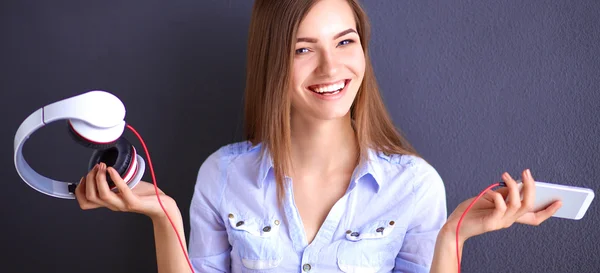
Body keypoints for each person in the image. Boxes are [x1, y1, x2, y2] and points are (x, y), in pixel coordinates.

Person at [74, 0, 563, 272]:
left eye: (345, 41)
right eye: (303, 48)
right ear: (272, 63)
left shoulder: (415, 187)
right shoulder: (221, 176)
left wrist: (454, 238)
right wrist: (165, 218)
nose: (332, 67)